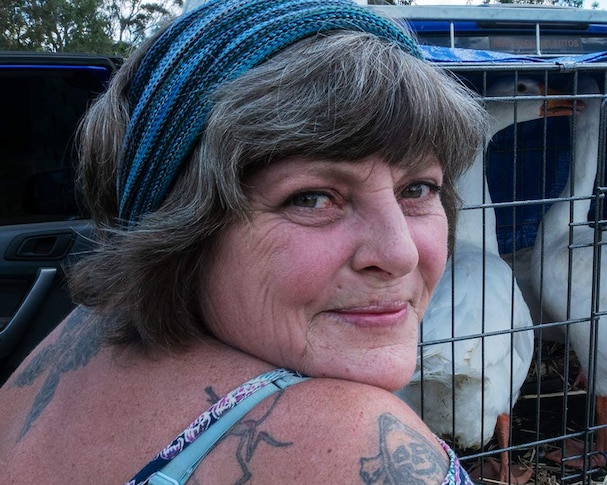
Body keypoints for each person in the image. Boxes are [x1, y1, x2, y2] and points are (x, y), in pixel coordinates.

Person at [0, 0, 489, 483]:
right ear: (176, 232)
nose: (400, 254)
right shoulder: (348, 442)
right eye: (313, 198)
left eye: (418, 190)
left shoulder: (75, 337)